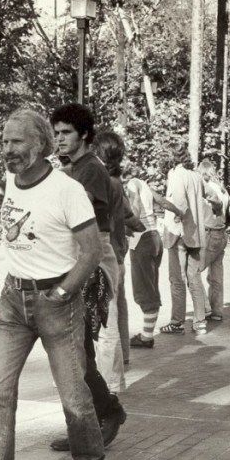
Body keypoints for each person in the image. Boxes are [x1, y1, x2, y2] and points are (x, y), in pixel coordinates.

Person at [0, 108, 105, 460]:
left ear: (40, 145)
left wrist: (61, 293)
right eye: (4, 142)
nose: (8, 150)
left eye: (17, 142)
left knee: (73, 395)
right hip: (11, 302)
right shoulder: (10, 179)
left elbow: (91, 252)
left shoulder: (67, 190)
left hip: (56, 301)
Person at [48, 103, 128, 453]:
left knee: (76, 351)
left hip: (90, 261)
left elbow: (87, 226)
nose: (59, 139)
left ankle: (107, 413)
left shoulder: (91, 170)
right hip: (75, 260)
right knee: (75, 351)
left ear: (83, 134)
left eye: (66, 132)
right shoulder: (74, 168)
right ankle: (87, 423)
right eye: (56, 132)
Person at [93, 130, 145, 376]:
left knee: (106, 320)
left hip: (105, 257)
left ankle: (110, 377)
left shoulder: (100, 180)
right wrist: (142, 227)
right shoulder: (116, 181)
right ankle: (123, 355)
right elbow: (127, 214)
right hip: (119, 255)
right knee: (118, 309)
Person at [122, 162, 181, 349]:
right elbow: (162, 202)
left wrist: (123, 227)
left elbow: (136, 210)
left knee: (143, 289)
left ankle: (147, 336)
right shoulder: (144, 184)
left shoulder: (132, 184)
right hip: (155, 237)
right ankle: (147, 333)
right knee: (150, 285)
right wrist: (180, 213)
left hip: (141, 240)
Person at [161, 144, 209, 334]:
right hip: (195, 235)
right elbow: (212, 196)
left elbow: (179, 202)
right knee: (194, 278)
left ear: (173, 158)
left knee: (176, 279)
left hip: (179, 234)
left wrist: (177, 215)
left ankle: (177, 321)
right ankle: (200, 321)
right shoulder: (196, 176)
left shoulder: (176, 174)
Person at [198, 159, 230, 322]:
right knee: (216, 276)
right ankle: (217, 310)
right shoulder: (222, 189)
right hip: (222, 234)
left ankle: (205, 307)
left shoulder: (205, 188)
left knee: (192, 273)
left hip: (209, 234)